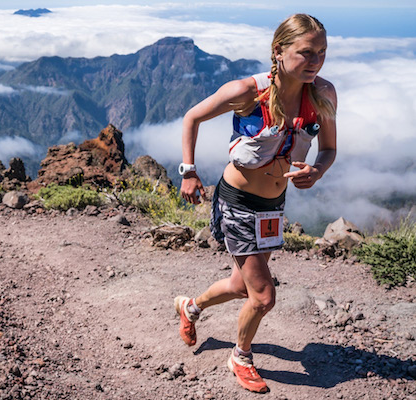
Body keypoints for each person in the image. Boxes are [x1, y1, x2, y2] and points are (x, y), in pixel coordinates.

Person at [173, 13, 337, 393]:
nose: (315, 61)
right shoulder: (249, 91)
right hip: (236, 202)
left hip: (273, 206)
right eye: (306, 52)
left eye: (322, 53)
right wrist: (188, 170)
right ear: (278, 52)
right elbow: (192, 117)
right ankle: (241, 356)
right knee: (262, 296)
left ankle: (190, 308)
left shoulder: (323, 94)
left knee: (240, 284)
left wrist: (317, 171)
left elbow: (328, 149)